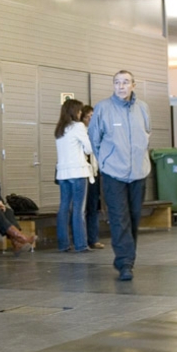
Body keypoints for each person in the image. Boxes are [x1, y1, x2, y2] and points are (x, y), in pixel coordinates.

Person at [89, 70, 152, 281]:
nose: (121, 86)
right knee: (119, 218)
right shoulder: (103, 108)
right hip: (113, 173)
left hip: (138, 173)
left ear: (133, 85)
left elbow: (147, 134)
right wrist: (106, 162)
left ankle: (127, 259)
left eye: (125, 82)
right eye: (117, 83)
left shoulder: (142, 108)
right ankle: (125, 262)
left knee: (133, 218)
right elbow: (94, 139)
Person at [55, 98, 93, 253]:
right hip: (78, 171)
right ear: (75, 112)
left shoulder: (59, 129)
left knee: (64, 208)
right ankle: (81, 244)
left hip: (63, 173)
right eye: (79, 110)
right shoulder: (78, 126)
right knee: (78, 209)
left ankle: (63, 244)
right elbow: (89, 149)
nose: (80, 113)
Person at [80, 104, 106, 249]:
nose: (91, 119)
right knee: (81, 208)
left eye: (92, 116)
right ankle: (82, 239)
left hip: (95, 173)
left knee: (94, 207)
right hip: (84, 173)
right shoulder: (80, 131)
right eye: (88, 116)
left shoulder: (97, 131)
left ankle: (93, 238)